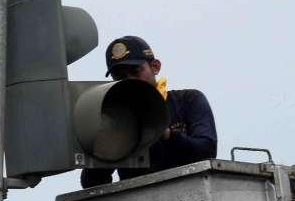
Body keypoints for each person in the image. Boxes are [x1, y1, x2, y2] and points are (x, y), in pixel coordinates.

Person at [80, 35, 217, 188]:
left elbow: (207, 151)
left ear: (155, 67)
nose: (130, 81)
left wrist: (167, 134)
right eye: (120, 77)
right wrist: (106, 143)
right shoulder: (116, 120)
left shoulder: (188, 100)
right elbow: (92, 184)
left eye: (136, 71)